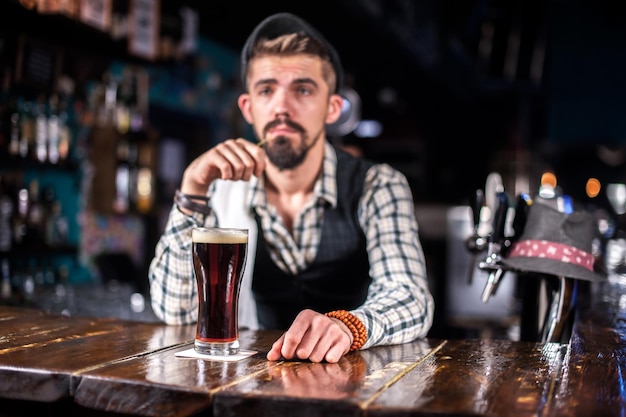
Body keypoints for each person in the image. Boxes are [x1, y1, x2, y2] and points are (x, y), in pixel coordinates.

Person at [148, 12, 434, 363]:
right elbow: (174, 313)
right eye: (267, 90)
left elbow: (411, 298)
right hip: (249, 387)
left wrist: (349, 327)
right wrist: (192, 189)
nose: (282, 107)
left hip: (355, 390)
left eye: (302, 89)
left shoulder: (378, 184)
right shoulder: (222, 190)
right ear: (248, 108)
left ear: (332, 108)